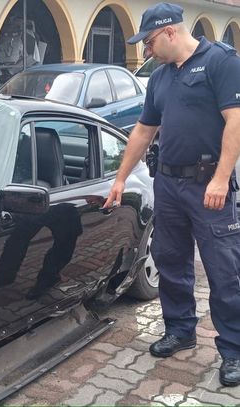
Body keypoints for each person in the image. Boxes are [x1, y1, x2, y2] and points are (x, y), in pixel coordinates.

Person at [104, 2, 240, 387]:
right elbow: (144, 131)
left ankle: (233, 351)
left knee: (225, 271)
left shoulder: (221, 62)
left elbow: (237, 120)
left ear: (168, 32)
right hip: (168, 185)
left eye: (148, 42)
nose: (146, 51)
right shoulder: (161, 78)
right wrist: (119, 178)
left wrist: (220, 177)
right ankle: (180, 329)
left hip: (208, 186)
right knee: (170, 259)